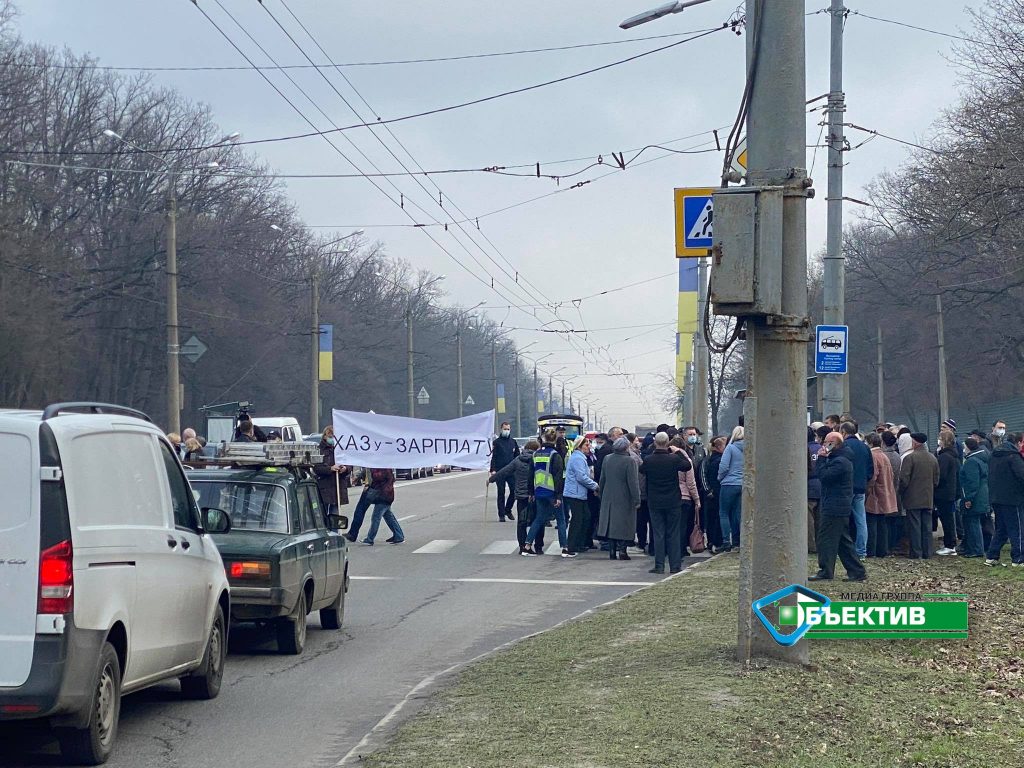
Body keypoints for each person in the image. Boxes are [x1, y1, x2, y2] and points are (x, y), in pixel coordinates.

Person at [810, 432, 867, 582]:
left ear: (834, 444)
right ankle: (856, 571)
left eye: (827, 442)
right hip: (837, 504)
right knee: (843, 541)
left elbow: (824, 477)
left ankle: (826, 570)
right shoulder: (841, 459)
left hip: (835, 505)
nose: (823, 445)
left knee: (826, 539)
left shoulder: (840, 462)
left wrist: (821, 459)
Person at [640, 432, 690, 573]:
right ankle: (675, 566)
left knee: (658, 533)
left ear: (655, 442)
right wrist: (679, 452)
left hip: (655, 501)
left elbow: (641, 470)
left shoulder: (649, 460)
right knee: (673, 533)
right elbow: (687, 466)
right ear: (668, 443)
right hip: (673, 500)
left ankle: (659, 565)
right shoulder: (674, 459)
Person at [490, 439, 543, 556]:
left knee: (521, 523)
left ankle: (522, 546)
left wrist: (491, 479)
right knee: (537, 521)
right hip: (534, 495)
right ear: (536, 449)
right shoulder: (537, 460)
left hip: (521, 496)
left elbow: (504, 471)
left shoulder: (517, 460)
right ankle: (538, 546)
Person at [524, 430, 570, 557]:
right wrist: (558, 496)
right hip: (552, 493)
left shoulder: (536, 454)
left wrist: (531, 492)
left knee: (539, 519)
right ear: (555, 440)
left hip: (539, 492)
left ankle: (527, 545)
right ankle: (565, 548)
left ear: (543, 439)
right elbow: (558, 477)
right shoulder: (555, 455)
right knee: (561, 520)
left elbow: (530, 475)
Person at [597, 436, 641, 561]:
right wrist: (636, 499)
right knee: (624, 525)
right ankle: (622, 551)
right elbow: (633, 483)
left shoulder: (607, 459)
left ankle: (612, 551)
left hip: (608, 496)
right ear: (626, 447)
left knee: (611, 525)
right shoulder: (629, 461)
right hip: (625, 497)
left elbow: (602, 479)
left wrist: (601, 493)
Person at [984, 432, 1024, 567]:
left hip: (996, 498)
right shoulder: (1014, 457)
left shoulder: (994, 455)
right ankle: (1018, 559)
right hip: (1013, 499)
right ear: (1018, 443)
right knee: (1017, 529)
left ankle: (991, 556)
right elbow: (1021, 476)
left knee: (1001, 529)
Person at [898, 432, 940, 559]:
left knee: (915, 526)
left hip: (912, 498)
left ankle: (916, 552)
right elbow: (936, 480)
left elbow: (904, 479)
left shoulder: (909, 458)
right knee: (926, 526)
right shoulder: (933, 458)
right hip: (928, 497)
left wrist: (901, 492)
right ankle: (927, 552)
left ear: (915, 442)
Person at [840, 421, 873, 561]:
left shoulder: (844, 446)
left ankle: (844, 550)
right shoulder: (865, 447)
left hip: (846, 487)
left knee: (843, 519)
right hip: (861, 487)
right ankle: (861, 551)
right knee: (861, 520)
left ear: (843, 432)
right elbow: (871, 469)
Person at [563, 437, 599, 557]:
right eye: (586, 445)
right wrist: (595, 486)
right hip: (575, 493)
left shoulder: (580, 457)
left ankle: (579, 543)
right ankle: (570, 546)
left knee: (586, 517)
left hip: (579, 493)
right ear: (579, 446)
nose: (589, 447)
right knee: (577, 520)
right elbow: (581, 477)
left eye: (589, 445)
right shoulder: (578, 458)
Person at [864, 432, 897, 557]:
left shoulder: (872, 455)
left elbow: (873, 476)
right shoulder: (884, 455)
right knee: (882, 523)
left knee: (872, 522)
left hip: (875, 493)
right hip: (885, 492)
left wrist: (867, 489)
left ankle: (871, 550)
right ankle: (882, 550)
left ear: (870, 443)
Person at [669, 436, 701, 557]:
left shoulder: (668, 459)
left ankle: (670, 549)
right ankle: (681, 550)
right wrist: (697, 499)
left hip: (671, 496)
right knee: (682, 525)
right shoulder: (687, 460)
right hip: (685, 497)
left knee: (671, 526)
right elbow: (691, 483)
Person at [959, 437, 990, 558]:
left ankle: (976, 550)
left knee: (972, 523)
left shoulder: (971, 462)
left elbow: (971, 482)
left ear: (967, 447)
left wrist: (968, 499)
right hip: (982, 495)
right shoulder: (981, 459)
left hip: (975, 497)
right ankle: (973, 548)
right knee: (974, 523)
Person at [934, 430, 961, 556]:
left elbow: (941, 476)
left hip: (943, 493)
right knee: (949, 519)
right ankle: (951, 544)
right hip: (951, 492)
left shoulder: (944, 457)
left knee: (947, 520)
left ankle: (949, 545)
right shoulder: (954, 456)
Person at [717, 426, 745, 551]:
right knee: (736, 514)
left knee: (724, 513)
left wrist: (720, 478)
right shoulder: (749, 449)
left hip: (729, 484)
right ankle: (737, 541)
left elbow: (724, 466)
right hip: (742, 484)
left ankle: (726, 541)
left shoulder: (730, 448)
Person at [361, 468, 405, 545]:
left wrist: (371, 469)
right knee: (389, 518)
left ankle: (370, 539)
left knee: (375, 518)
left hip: (383, 496)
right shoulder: (386, 468)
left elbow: (377, 477)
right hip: (386, 496)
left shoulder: (384, 469)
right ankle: (399, 536)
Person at [314, 425, 349, 517]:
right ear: (324, 437)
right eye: (330, 437)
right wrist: (330, 469)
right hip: (324, 487)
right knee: (323, 515)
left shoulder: (341, 449)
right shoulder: (319, 450)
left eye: (334, 437)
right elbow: (316, 468)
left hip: (338, 487)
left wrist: (345, 469)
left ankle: (334, 531)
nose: (332, 439)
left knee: (335, 516)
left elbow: (349, 465)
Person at [698, 436, 726, 553]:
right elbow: (703, 475)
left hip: (711, 493)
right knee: (717, 518)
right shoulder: (716, 460)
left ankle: (710, 542)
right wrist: (708, 490)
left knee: (711, 518)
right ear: (719, 447)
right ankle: (716, 542)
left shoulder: (709, 459)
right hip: (716, 492)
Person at [489, 421, 520, 522]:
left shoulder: (513, 442)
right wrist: (493, 470)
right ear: (501, 429)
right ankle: (501, 514)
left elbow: (517, 456)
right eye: (505, 429)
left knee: (514, 491)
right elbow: (493, 457)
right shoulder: (497, 442)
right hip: (500, 471)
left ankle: (508, 509)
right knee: (501, 492)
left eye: (508, 429)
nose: (506, 430)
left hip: (511, 471)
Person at [880, 430, 905, 555]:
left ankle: (885, 547)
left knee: (884, 522)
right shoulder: (897, 456)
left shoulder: (882, 456)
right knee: (894, 522)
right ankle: (893, 545)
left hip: (884, 493)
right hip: (896, 492)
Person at [807, 426, 823, 555]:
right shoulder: (820, 448)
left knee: (809, 519)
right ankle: (820, 544)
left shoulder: (804, 449)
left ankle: (811, 546)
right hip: (822, 486)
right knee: (820, 518)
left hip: (809, 487)